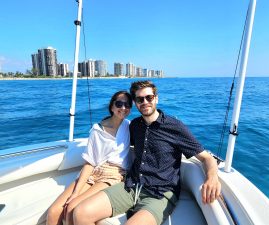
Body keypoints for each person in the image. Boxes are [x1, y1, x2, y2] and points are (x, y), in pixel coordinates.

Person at [73, 80, 221, 225]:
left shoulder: (175, 127)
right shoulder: (135, 125)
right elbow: (115, 140)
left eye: (149, 97)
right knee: (80, 214)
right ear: (136, 103)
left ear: (156, 98)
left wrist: (212, 177)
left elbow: (206, 158)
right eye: (139, 99)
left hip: (160, 192)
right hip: (131, 186)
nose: (145, 102)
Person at [46, 91, 133, 225]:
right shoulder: (97, 130)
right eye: (119, 104)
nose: (123, 108)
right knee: (53, 211)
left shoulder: (129, 126)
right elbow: (90, 162)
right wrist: (76, 192)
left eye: (127, 105)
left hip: (114, 174)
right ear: (112, 107)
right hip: (94, 170)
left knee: (71, 208)